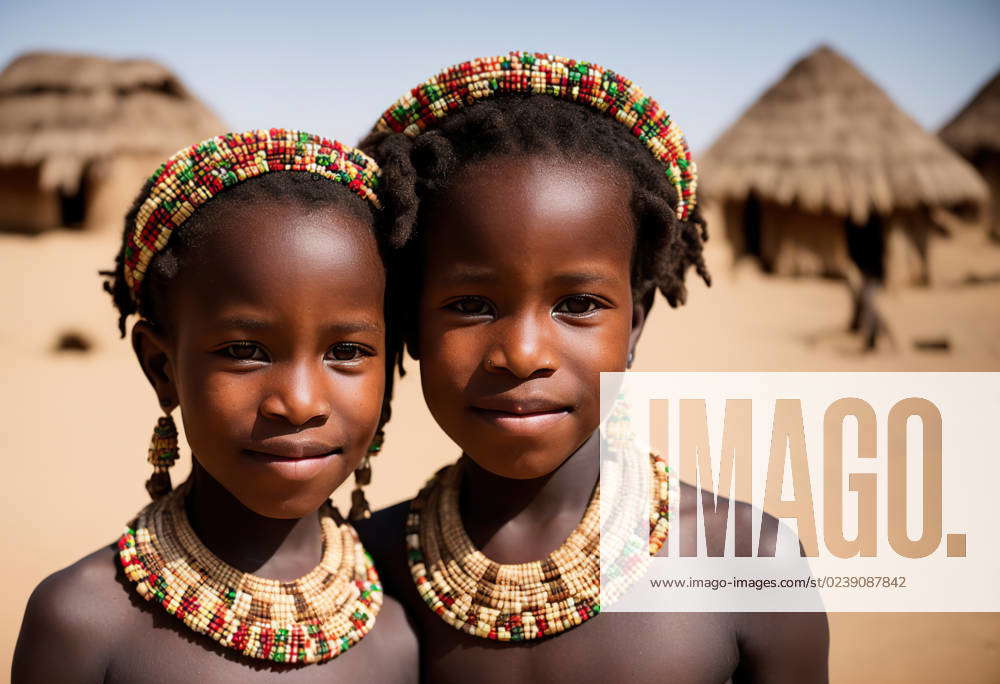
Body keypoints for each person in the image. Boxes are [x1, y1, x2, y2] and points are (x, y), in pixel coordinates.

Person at [358, 53, 829, 682]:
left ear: (635, 324)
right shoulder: (366, 576)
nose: (523, 355)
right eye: (470, 306)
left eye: (577, 305)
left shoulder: (748, 558)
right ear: (411, 325)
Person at [12, 130, 417, 683]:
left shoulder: (399, 630)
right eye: (244, 352)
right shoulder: (83, 623)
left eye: (346, 352)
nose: (298, 403)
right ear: (162, 368)